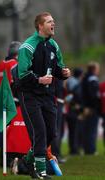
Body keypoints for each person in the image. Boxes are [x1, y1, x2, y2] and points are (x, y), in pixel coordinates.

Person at [17, 12, 71, 179]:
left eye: (53, 21)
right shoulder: (28, 46)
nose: (53, 24)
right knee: (39, 132)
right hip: (30, 95)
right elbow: (22, 75)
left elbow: (57, 69)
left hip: (48, 95)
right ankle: (40, 172)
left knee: (51, 133)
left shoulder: (53, 45)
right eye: (49, 22)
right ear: (40, 26)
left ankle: (25, 162)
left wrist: (64, 73)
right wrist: (39, 80)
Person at [82, 62, 100, 154]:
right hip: (92, 108)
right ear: (94, 69)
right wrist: (95, 105)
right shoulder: (92, 79)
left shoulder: (85, 78)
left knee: (87, 129)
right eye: (97, 69)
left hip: (86, 107)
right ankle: (91, 149)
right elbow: (93, 95)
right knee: (92, 129)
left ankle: (86, 149)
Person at [65, 68, 84, 155]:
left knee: (71, 131)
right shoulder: (77, 85)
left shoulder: (69, 82)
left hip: (68, 109)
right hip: (74, 110)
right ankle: (74, 149)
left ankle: (73, 148)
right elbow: (75, 97)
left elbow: (68, 97)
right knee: (75, 130)